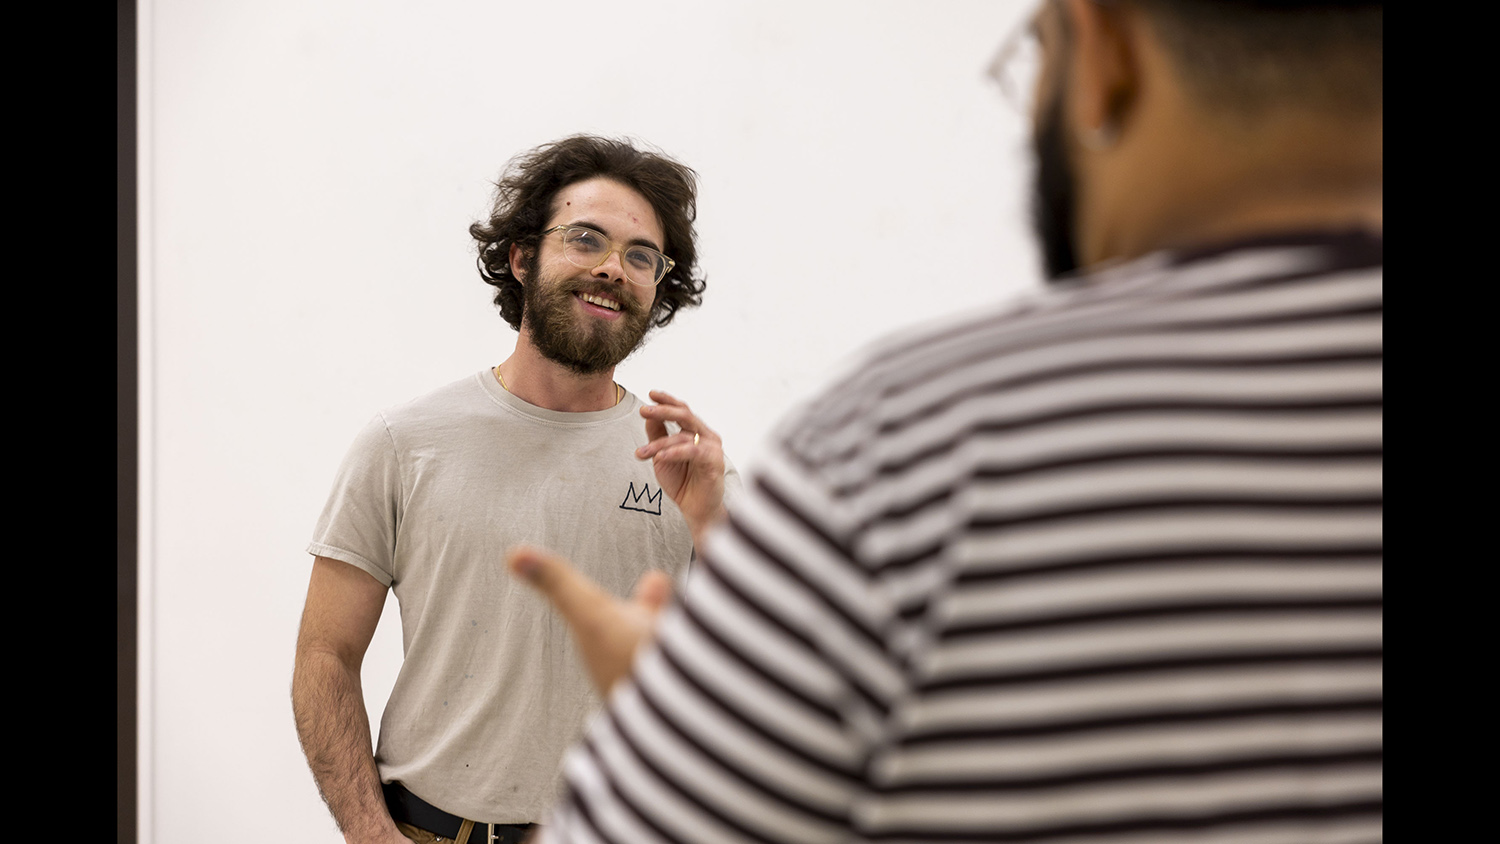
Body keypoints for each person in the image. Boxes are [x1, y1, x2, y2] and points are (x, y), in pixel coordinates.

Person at [509, 1, 1383, 842]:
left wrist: (678, 741)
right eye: (585, 240)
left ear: (1103, 50)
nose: (614, 271)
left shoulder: (911, 447)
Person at [291, 134, 740, 844]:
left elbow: (759, 677)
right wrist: (369, 833)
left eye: (639, 255)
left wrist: (713, 524)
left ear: (658, 287)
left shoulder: (684, 469)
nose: (611, 269)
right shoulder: (404, 444)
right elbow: (325, 656)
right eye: (585, 239)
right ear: (522, 256)